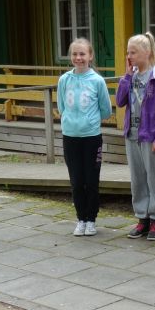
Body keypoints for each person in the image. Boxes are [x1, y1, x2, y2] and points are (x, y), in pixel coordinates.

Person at [116, 32, 155, 241]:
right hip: (132, 136)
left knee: (154, 179)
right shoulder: (130, 77)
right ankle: (143, 218)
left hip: (151, 137)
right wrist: (126, 76)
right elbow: (120, 101)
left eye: (134, 52)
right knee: (137, 179)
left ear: (147, 52)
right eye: (128, 52)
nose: (129, 56)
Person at [57, 37, 112, 236]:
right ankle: (81, 219)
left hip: (91, 138)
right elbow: (61, 106)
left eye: (82, 54)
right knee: (76, 181)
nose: (78, 58)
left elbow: (106, 110)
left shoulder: (97, 81)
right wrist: (71, 121)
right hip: (70, 136)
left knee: (91, 180)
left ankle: (91, 220)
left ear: (90, 56)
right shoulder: (64, 80)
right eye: (74, 54)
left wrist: (89, 121)